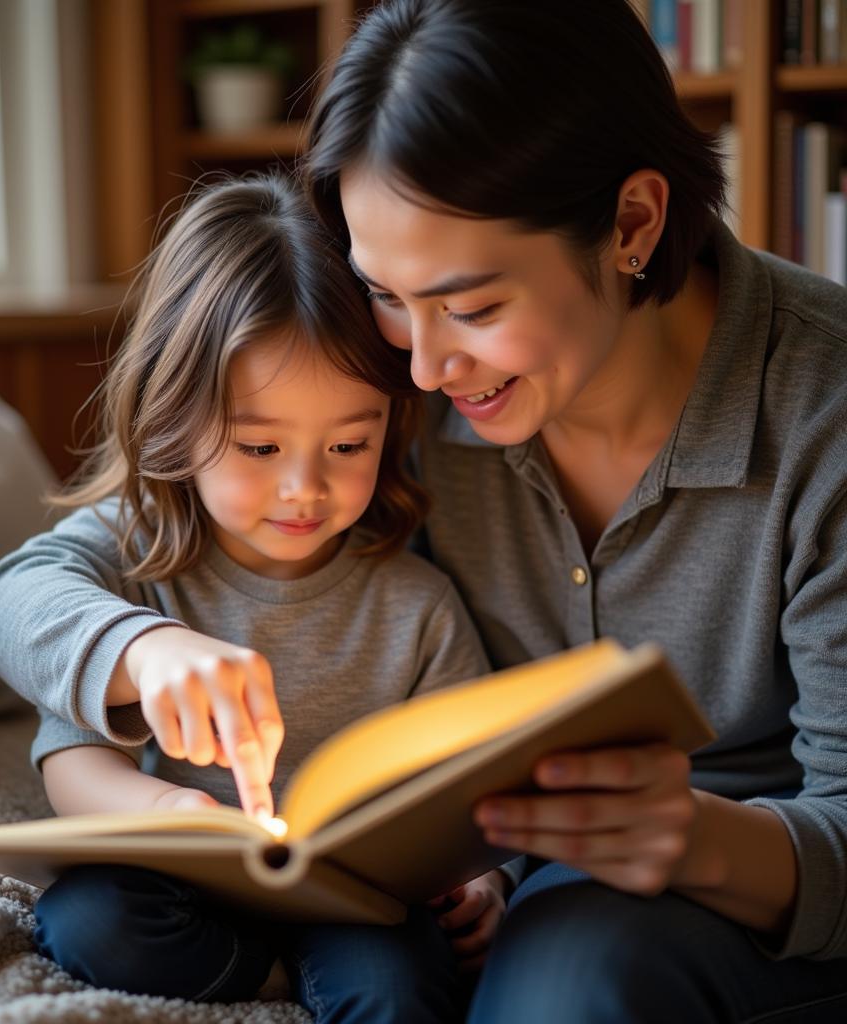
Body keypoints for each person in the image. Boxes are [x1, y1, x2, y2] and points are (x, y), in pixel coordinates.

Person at [295, 0, 847, 1020]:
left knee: (574, 972)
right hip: (518, 873)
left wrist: (687, 835)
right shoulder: (390, 395)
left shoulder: (825, 412)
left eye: (472, 306)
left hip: (762, 884)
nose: (422, 363)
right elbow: (99, 545)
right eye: (384, 294)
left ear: (632, 222)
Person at [0, 172, 504, 1022]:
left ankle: (312, 970)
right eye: (258, 447)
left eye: (347, 444)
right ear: (178, 420)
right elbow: (13, 613)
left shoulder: (416, 601)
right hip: (181, 878)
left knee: (400, 984)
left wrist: (482, 876)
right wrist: (157, 740)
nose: (305, 489)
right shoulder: (136, 557)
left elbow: (471, 783)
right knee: (90, 923)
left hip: (355, 894)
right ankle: (268, 976)